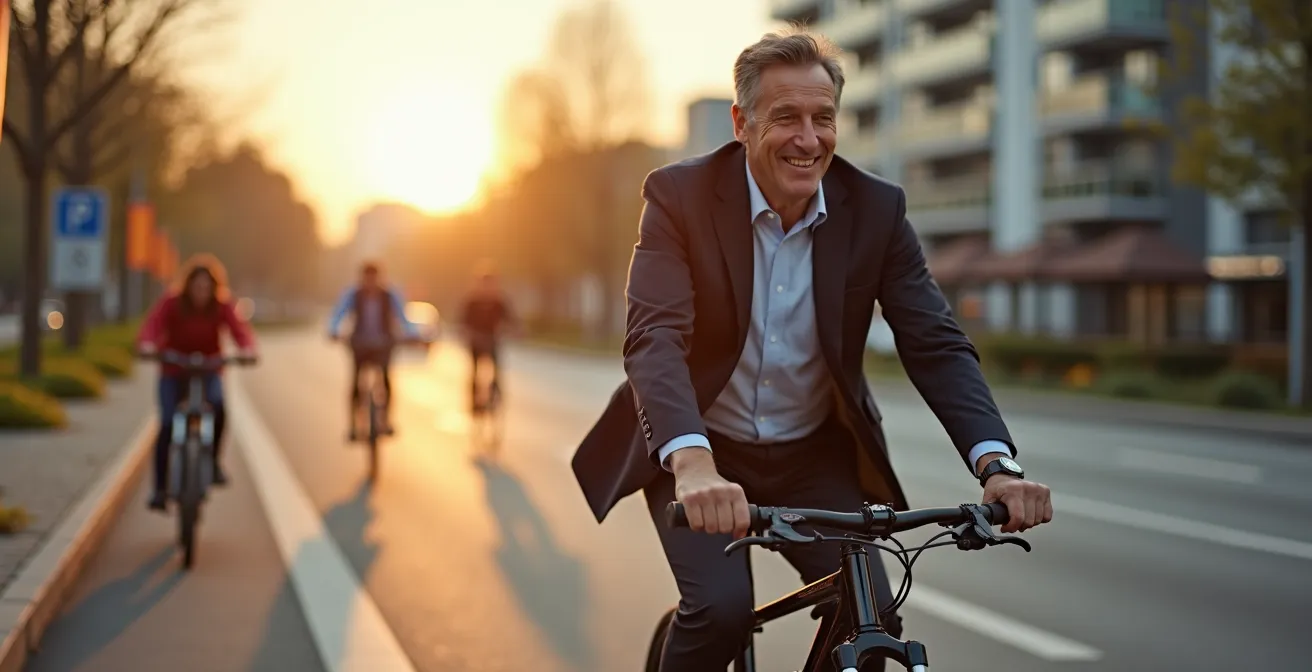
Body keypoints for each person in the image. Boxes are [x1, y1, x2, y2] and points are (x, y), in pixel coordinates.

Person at [570, 29, 1053, 672]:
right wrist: (691, 464)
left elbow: (934, 341)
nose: (809, 139)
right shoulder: (679, 197)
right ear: (741, 123)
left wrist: (997, 465)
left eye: (823, 118)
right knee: (719, 611)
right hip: (702, 447)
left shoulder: (876, 210)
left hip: (812, 453)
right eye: (786, 118)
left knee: (872, 619)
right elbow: (655, 336)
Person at [137, 254, 257, 511]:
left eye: (207, 287)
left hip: (209, 369)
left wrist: (247, 350)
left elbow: (241, 331)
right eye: (197, 286)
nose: (201, 292)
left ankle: (213, 464)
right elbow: (153, 326)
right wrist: (147, 344)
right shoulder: (171, 303)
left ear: (215, 288)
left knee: (219, 407)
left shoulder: (222, 306)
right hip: (173, 370)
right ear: (187, 285)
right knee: (167, 423)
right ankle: (160, 489)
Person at [327, 261, 422, 438]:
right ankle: (353, 425)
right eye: (367, 279)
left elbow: (403, 316)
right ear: (362, 279)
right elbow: (338, 313)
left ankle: (385, 420)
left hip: (383, 344)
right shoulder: (353, 295)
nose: (370, 283)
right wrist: (333, 330)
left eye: (374, 279)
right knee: (356, 381)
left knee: (386, 379)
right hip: (360, 343)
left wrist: (412, 333)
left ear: (380, 278)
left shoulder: (390, 295)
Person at [459, 262, 516, 412]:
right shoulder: (472, 302)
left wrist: (515, 330)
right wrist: (467, 333)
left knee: (496, 369)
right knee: (474, 371)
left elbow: (510, 320)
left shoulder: (499, 302)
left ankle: (495, 393)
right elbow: (463, 322)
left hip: (492, 340)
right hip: (476, 341)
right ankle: (473, 402)